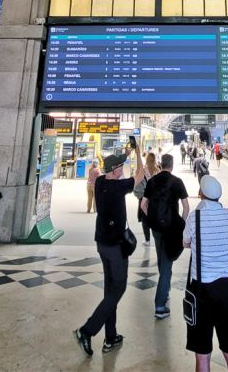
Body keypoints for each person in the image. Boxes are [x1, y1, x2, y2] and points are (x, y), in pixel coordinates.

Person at [75, 141, 145, 357]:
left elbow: (120, 170)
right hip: (115, 247)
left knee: (110, 290)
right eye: (120, 168)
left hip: (102, 244)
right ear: (115, 172)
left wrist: (125, 153)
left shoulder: (100, 182)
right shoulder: (117, 187)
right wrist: (139, 153)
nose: (123, 171)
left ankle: (111, 336)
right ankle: (87, 330)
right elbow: (141, 174)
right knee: (119, 289)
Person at [183, 175, 228, 372]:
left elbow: (185, 243)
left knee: (202, 356)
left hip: (203, 291)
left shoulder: (195, 217)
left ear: (201, 194)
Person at [141, 153, 190, 319]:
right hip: (170, 228)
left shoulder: (152, 181)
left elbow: (143, 204)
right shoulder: (177, 182)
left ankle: (165, 290)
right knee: (167, 265)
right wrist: (181, 225)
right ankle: (160, 306)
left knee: (162, 259)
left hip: (155, 227)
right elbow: (186, 207)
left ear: (161, 164)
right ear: (172, 164)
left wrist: (150, 218)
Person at [138, 152, 160, 246]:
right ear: (154, 160)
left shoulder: (143, 171)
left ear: (147, 160)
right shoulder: (158, 171)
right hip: (155, 199)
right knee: (155, 218)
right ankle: (157, 238)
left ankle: (147, 240)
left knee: (145, 220)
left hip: (144, 197)